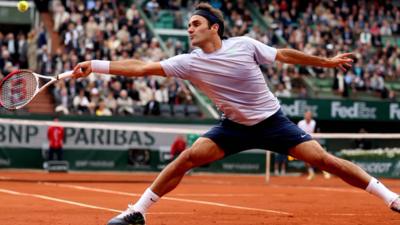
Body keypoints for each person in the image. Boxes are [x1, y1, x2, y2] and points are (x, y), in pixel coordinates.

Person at [72, 3, 400, 225]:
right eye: (188, 25)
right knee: (187, 158)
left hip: (273, 123)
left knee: (324, 160)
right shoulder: (188, 61)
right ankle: (138, 213)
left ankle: (391, 197)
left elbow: (283, 54)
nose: (189, 30)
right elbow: (141, 68)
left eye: (195, 24)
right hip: (233, 128)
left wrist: (325, 61)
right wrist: (97, 66)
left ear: (214, 27)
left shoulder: (244, 44)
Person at [297, 110, 331, 180]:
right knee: (305, 159)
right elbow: (298, 133)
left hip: (313, 142)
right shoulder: (300, 123)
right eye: (307, 115)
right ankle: (311, 173)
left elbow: (316, 132)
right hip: (303, 143)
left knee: (319, 158)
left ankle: (325, 172)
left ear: (311, 116)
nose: (308, 116)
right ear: (304, 116)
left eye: (309, 115)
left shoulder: (314, 123)